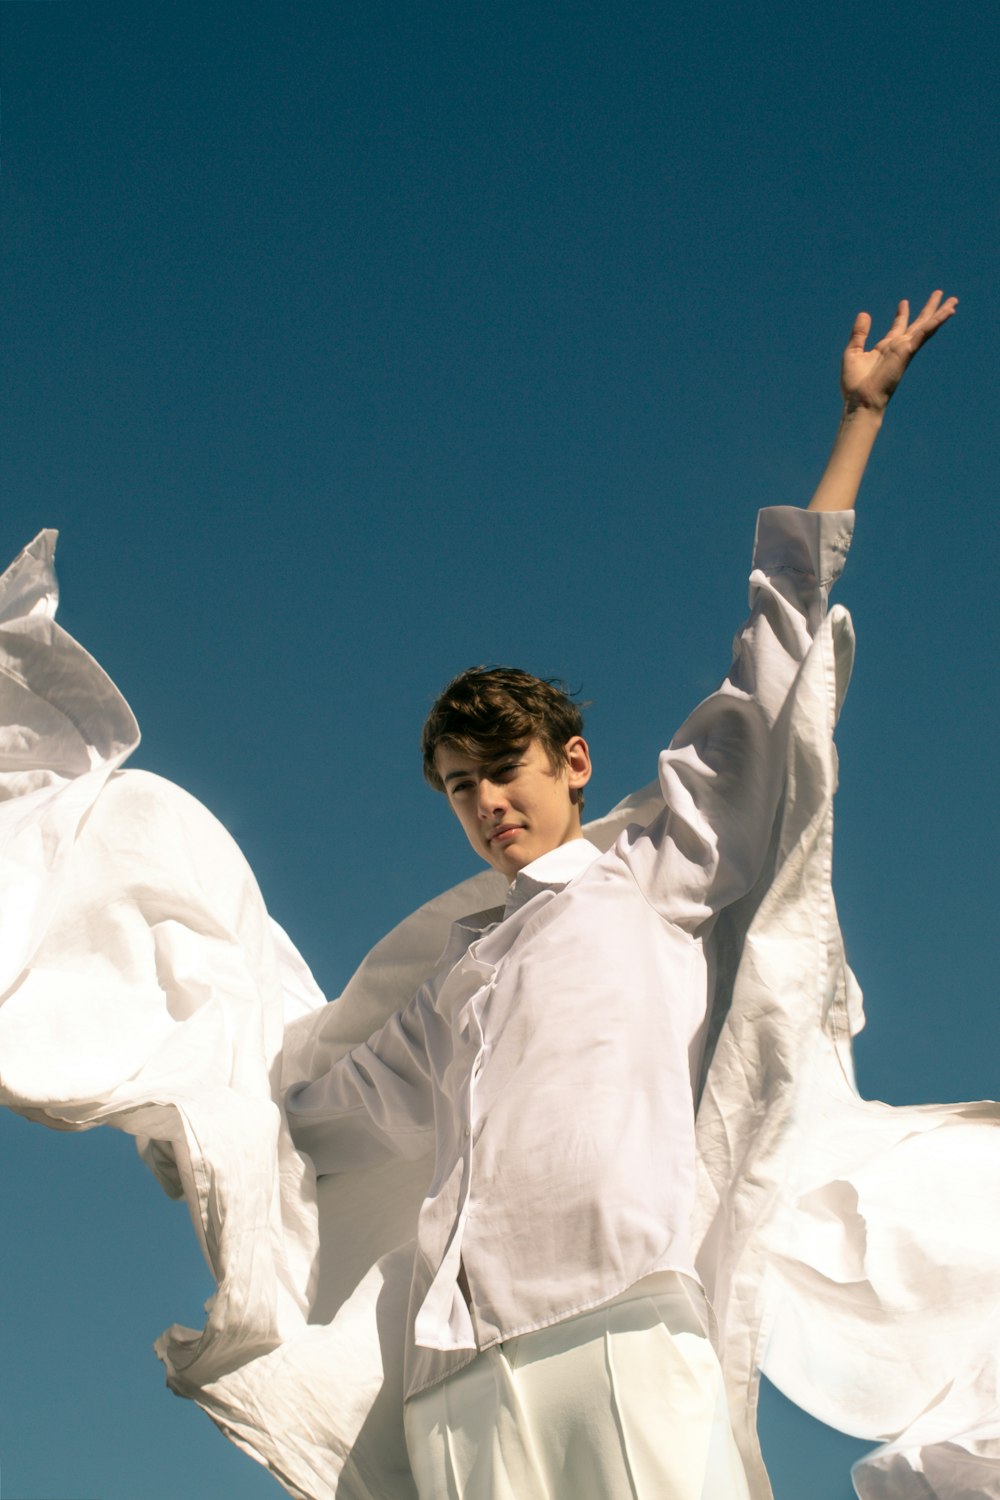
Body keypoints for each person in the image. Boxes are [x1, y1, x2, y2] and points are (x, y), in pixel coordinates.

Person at [281, 290, 958, 1500]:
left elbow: (768, 671)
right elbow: (324, 1119)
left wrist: (856, 424)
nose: (485, 804)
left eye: (503, 772)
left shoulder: (649, 869)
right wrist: (182, 1114)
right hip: (455, 1365)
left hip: (617, 1322)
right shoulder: (459, 976)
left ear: (572, 762)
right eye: (457, 788)